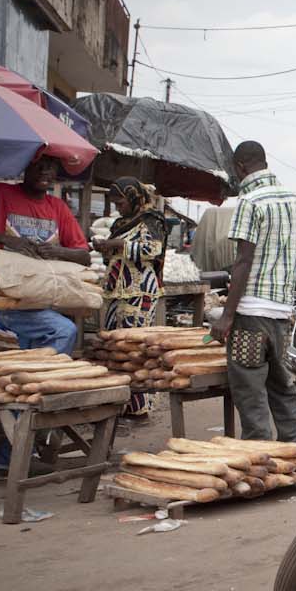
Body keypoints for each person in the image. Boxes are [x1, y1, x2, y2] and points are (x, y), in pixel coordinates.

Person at [0, 156, 89, 474]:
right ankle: (41, 398)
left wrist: (57, 251)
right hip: (8, 303)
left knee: (20, 382)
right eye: (39, 166)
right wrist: (4, 239)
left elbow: (83, 255)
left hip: (42, 303)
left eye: (51, 168)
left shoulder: (58, 208)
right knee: (63, 335)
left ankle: (9, 459)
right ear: (25, 168)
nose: (46, 172)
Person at [208, 141, 296, 443]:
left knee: (250, 391)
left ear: (240, 168)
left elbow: (243, 260)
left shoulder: (250, 201)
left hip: (250, 314)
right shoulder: (295, 201)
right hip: (281, 313)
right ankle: (294, 451)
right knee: (282, 387)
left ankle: (259, 457)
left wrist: (226, 316)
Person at [93, 178, 167, 418]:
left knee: (136, 346)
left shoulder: (151, 220)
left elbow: (153, 250)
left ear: (134, 197)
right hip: (116, 289)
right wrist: (105, 248)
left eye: (121, 202)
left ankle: (139, 406)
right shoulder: (120, 223)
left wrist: (117, 244)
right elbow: (113, 256)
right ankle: (119, 401)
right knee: (116, 344)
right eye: (114, 203)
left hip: (141, 290)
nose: (118, 207)